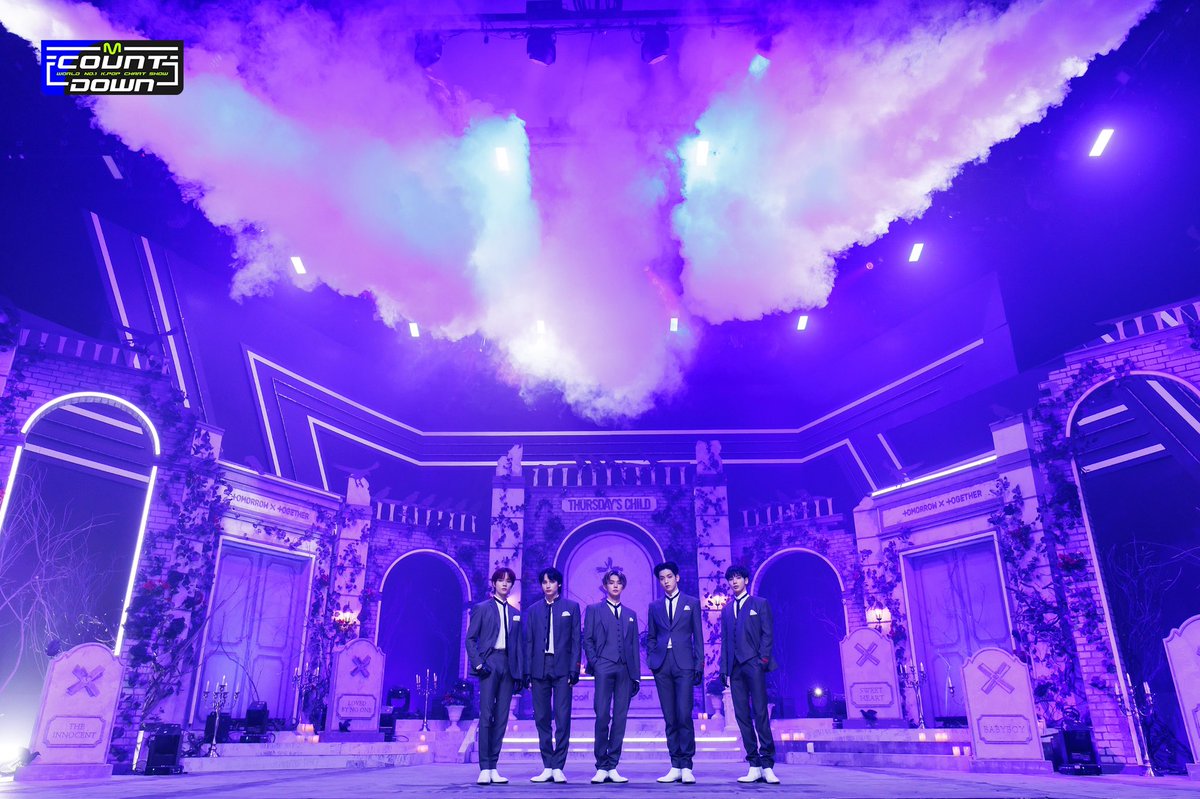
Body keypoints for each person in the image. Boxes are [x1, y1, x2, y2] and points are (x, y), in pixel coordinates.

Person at [719, 564, 780, 784]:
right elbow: (725, 640)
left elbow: (767, 634)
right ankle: (753, 764)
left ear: (746, 580)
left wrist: (762, 660)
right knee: (741, 715)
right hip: (735, 668)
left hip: (754, 664)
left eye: (738, 577)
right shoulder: (726, 610)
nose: (734, 581)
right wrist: (723, 668)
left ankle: (768, 764)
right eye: (731, 579)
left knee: (761, 713)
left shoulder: (759, 604)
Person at [465, 567, 524, 785]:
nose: (505, 584)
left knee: (502, 717)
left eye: (508, 581)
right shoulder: (482, 608)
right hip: (489, 664)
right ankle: (484, 767)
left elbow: (519, 646)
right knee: (486, 714)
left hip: (508, 665)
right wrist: (479, 663)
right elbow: (470, 639)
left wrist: (519, 673)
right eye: (501, 580)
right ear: (494, 583)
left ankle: (494, 766)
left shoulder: (516, 614)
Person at [645, 561, 703, 784]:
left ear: (677, 577)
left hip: (684, 664)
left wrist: (699, 665)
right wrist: (652, 660)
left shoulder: (692, 603)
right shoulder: (654, 606)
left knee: (683, 714)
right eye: (662, 578)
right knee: (669, 717)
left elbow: (698, 637)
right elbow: (651, 636)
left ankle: (687, 765)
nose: (666, 581)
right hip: (662, 665)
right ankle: (675, 765)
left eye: (669, 576)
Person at [523, 567, 581, 783]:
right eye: (544, 582)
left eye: (551, 581)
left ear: (559, 584)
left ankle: (559, 766)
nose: (547, 585)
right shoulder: (533, 610)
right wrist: (527, 671)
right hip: (539, 668)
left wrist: (575, 669)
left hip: (563, 669)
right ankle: (547, 765)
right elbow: (529, 642)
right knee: (541, 718)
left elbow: (576, 641)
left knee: (562, 717)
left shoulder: (571, 607)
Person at [583, 569, 640, 784]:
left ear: (623, 586)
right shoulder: (593, 610)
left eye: (618, 582)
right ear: (605, 586)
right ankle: (601, 765)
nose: (615, 586)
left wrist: (636, 676)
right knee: (602, 715)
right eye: (611, 582)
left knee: (620, 718)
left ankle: (613, 765)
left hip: (625, 669)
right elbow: (587, 639)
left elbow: (633, 646)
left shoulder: (630, 614)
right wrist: (596, 663)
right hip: (603, 666)